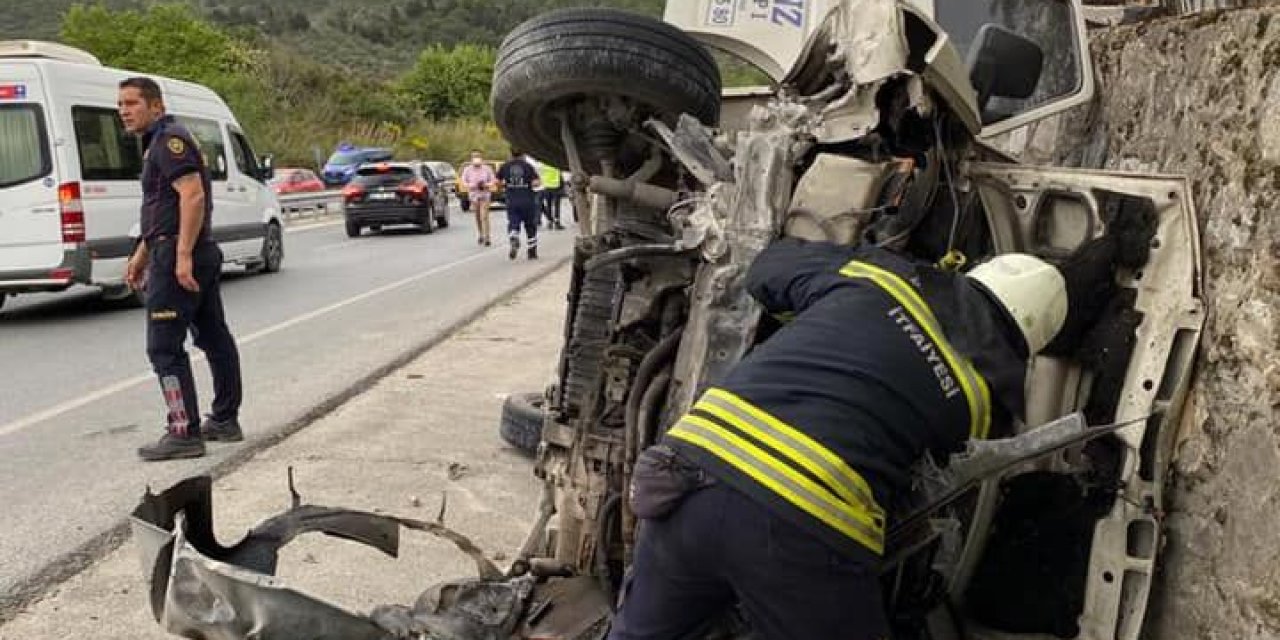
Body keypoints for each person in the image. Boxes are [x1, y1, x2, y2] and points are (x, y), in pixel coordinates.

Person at [609, 235, 1124, 640]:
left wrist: (821, 307)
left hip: (685, 477)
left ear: (974, 272)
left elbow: (767, 270)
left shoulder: (881, 277)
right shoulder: (982, 403)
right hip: (798, 523)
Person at [118, 77, 244, 461]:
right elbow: (165, 208)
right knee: (213, 337)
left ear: (155, 106)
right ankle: (224, 419)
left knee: (163, 348)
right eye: (121, 104)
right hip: (175, 248)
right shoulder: (158, 142)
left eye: (132, 103)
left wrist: (181, 255)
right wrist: (141, 254)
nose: (124, 111)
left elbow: (192, 196)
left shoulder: (169, 141)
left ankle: (183, 431)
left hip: (178, 255)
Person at [497, 148, 542, 260]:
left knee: (513, 221)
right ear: (523, 154)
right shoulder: (528, 166)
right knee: (530, 225)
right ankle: (532, 252)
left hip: (511, 200)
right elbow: (536, 183)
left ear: (510, 154)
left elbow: (497, 182)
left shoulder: (505, 166)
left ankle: (514, 235)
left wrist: (506, 186)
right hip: (527, 200)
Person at [461, 150, 496, 246]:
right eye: (474, 156)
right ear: (471, 159)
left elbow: (493, 180)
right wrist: (471, 185)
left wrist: (486, 184)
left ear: (481, 158)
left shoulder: (487, 169)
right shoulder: (467, 169)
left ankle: (487, 237)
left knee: (484, 216)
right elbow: (464, 181)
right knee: (477, 216)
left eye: (478, 156)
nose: (476, 158)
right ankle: (481, 233)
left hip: (485, 194)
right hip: (474, 195)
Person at [537, 161, 565, 230]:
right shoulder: (556, 164)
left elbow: (540, 175)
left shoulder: (543, 165)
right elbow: (560, 175)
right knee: (556, 205)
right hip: (556, 186)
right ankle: (557, 222)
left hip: (546, 187)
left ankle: (549, 222)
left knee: (548, 205)